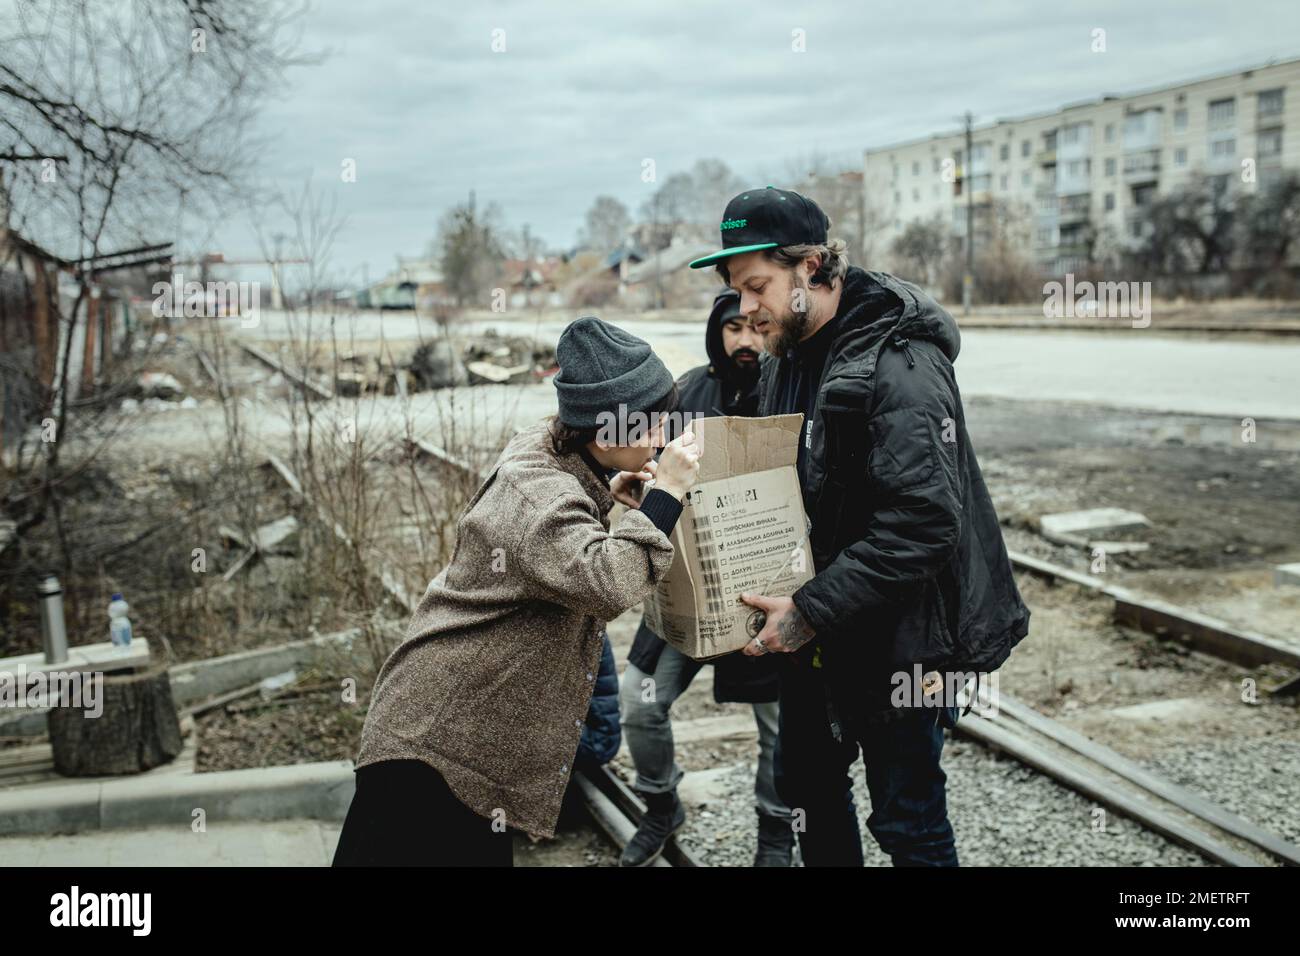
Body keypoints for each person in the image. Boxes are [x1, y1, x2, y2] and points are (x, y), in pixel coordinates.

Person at [688, 186, 1031, 867]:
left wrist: (811, 610)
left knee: (907, 821)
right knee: (808, 794)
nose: (744, 309)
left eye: (756, 286)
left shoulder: (900, 362)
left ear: (813, 266)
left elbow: (925, 520)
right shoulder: (787, 353)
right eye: (736, 290)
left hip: (897, 639)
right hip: (814, 631)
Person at [332, 316, 701, 867]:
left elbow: (569, 518)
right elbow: (610, 581)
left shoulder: (553, 450)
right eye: (650, 424)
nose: (662, 435)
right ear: (606, 433)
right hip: (436, 748)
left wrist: (607, 487)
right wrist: (665, 493)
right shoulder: (537, 497)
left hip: (465, 742)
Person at [616, 289, 795, 868]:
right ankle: (662, 805)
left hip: (765, 589)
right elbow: (646, 462)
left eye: (753, 327)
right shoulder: (686, 393)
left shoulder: (788, 387)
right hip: (685, 584)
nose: (744, 341)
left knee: (778, 730)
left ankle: (775, 833)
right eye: (731, 328)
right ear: (716, 333)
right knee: (639, 704)